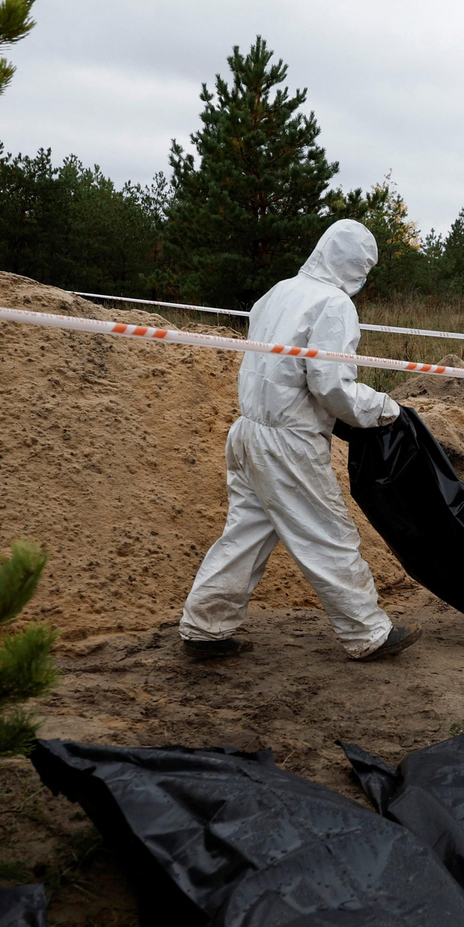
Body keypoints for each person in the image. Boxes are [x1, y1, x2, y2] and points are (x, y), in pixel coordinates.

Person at [179, 220, 422, 662]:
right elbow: (330, 384)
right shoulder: (333, 304)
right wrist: (384, 408)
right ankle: (367, 632)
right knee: (328, 535)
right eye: (365, 267)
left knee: (245, 533)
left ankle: (205, 626)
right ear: (353, 263)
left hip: (249, 432)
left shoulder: (279, 291)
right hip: (289, 442)